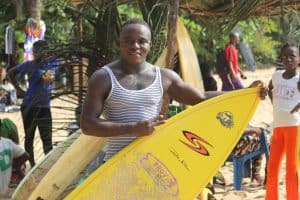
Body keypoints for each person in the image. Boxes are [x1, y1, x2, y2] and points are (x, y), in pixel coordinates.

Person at [80, 18, 267, 165]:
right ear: (119, 44)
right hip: (115, 167)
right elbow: (87, 125)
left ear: (150, 44)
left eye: (141, 41)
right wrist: (133, 128)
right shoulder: (103, 78)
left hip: (155, 166)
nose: (135, 46)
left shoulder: (164, 77)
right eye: (129, 41)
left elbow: (200, 98)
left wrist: (246, 93)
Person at [8, 40, 58, 167]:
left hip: (44, 107)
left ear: (45, 51)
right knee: (29, 137)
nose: (36, 54)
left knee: (47, 138)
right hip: (29, 106)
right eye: (34, 51)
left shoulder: (53, 64)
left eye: (39, 51)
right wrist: (18, 89)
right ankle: (32, 164)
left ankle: (49, 165)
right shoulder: (29, 65)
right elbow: (10, 73)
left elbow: (48, 79)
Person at [266, 43, 300, 200]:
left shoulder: (299, 79)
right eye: (285, 56)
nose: (288, 59)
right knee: (272, 168)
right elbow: (269, 88)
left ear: (298, 59)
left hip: (294, 128)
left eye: (292, 56)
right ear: (281, 59)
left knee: (291, 170)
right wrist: (275, 105)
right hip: (277, 127)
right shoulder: (276, 76)